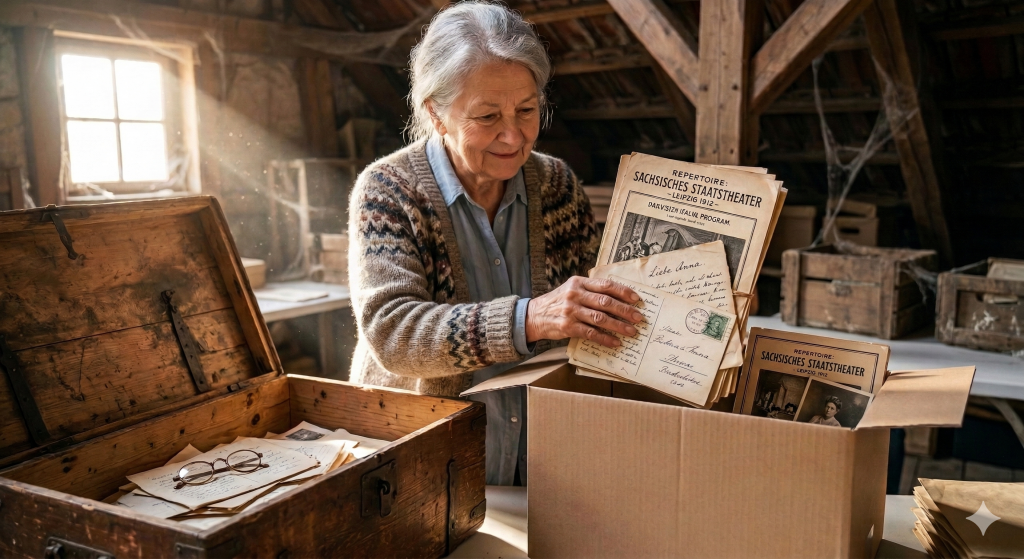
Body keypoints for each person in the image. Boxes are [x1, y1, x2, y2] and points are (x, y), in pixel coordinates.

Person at [348, 2, 642, 486]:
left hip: (542, 453)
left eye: (527, 110)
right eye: (487, 116)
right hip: (422, 459)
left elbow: (598, 303)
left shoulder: (557, 185)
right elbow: (392, 332)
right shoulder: (388, 191)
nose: (513, 135)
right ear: (436, 113)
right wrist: (530, 317)